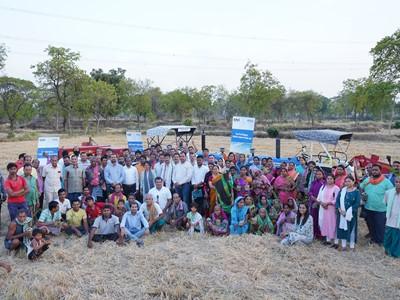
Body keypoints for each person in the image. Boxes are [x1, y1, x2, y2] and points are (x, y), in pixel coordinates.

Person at [360, 164, 394, 245]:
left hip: (381, 209)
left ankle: (380, 241)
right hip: (368, 207)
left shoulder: (386, 181)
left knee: (380, 226)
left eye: (376, 170)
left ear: (380, 171)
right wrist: (362, 194)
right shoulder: (367, 180)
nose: (374, 171)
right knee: (371, 225)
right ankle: (373, 239)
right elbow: (361, 187)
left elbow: (392, 192)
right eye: (373, 170)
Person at [336, 176, 360, 251]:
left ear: (353, 182)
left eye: (349, 181)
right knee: (343, 228)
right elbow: (337, 201)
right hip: (341, 214)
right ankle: (343, 245)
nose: (347, 183)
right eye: (346, 181)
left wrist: (348, 211)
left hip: (351, 214)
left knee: (351, 228)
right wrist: (340, 210)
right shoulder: (342, 191)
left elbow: (357, 203)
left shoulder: (356, 192)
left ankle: (352, 246)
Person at [317, 174, 340, 245]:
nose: (329, 180)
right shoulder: (323, 187)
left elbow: (337, 199)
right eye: (328, 179)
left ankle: (336, 242)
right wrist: (322, 203)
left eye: (331, 179)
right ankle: (328, 240)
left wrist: (328, 203)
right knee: (325, 223)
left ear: (334, 180)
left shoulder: (336, 188)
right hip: (323, 208)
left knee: (333, 224)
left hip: (332, 209)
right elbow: (319, 198)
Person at [383, 177, 400, 258]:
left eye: (399, 182)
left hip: (398, 220)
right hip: (390, 218)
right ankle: (387, 250)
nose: (398, 183)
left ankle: (395, 254)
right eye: (396, 182)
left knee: (397, 237)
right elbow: (385, 203)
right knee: (388, 237)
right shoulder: (389, 192)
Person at [308, 169, 325, 239]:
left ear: (323, 175)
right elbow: (310, 191)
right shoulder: (313, 182)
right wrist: (313, 198)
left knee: (320, 218)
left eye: (319, 174)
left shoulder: (325, 183)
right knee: (313, 218)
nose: (318, 175)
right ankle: (314, 233)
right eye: (317, 174)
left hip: (321, 203)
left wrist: (318, 201)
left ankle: (321, 234)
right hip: (313, 202)